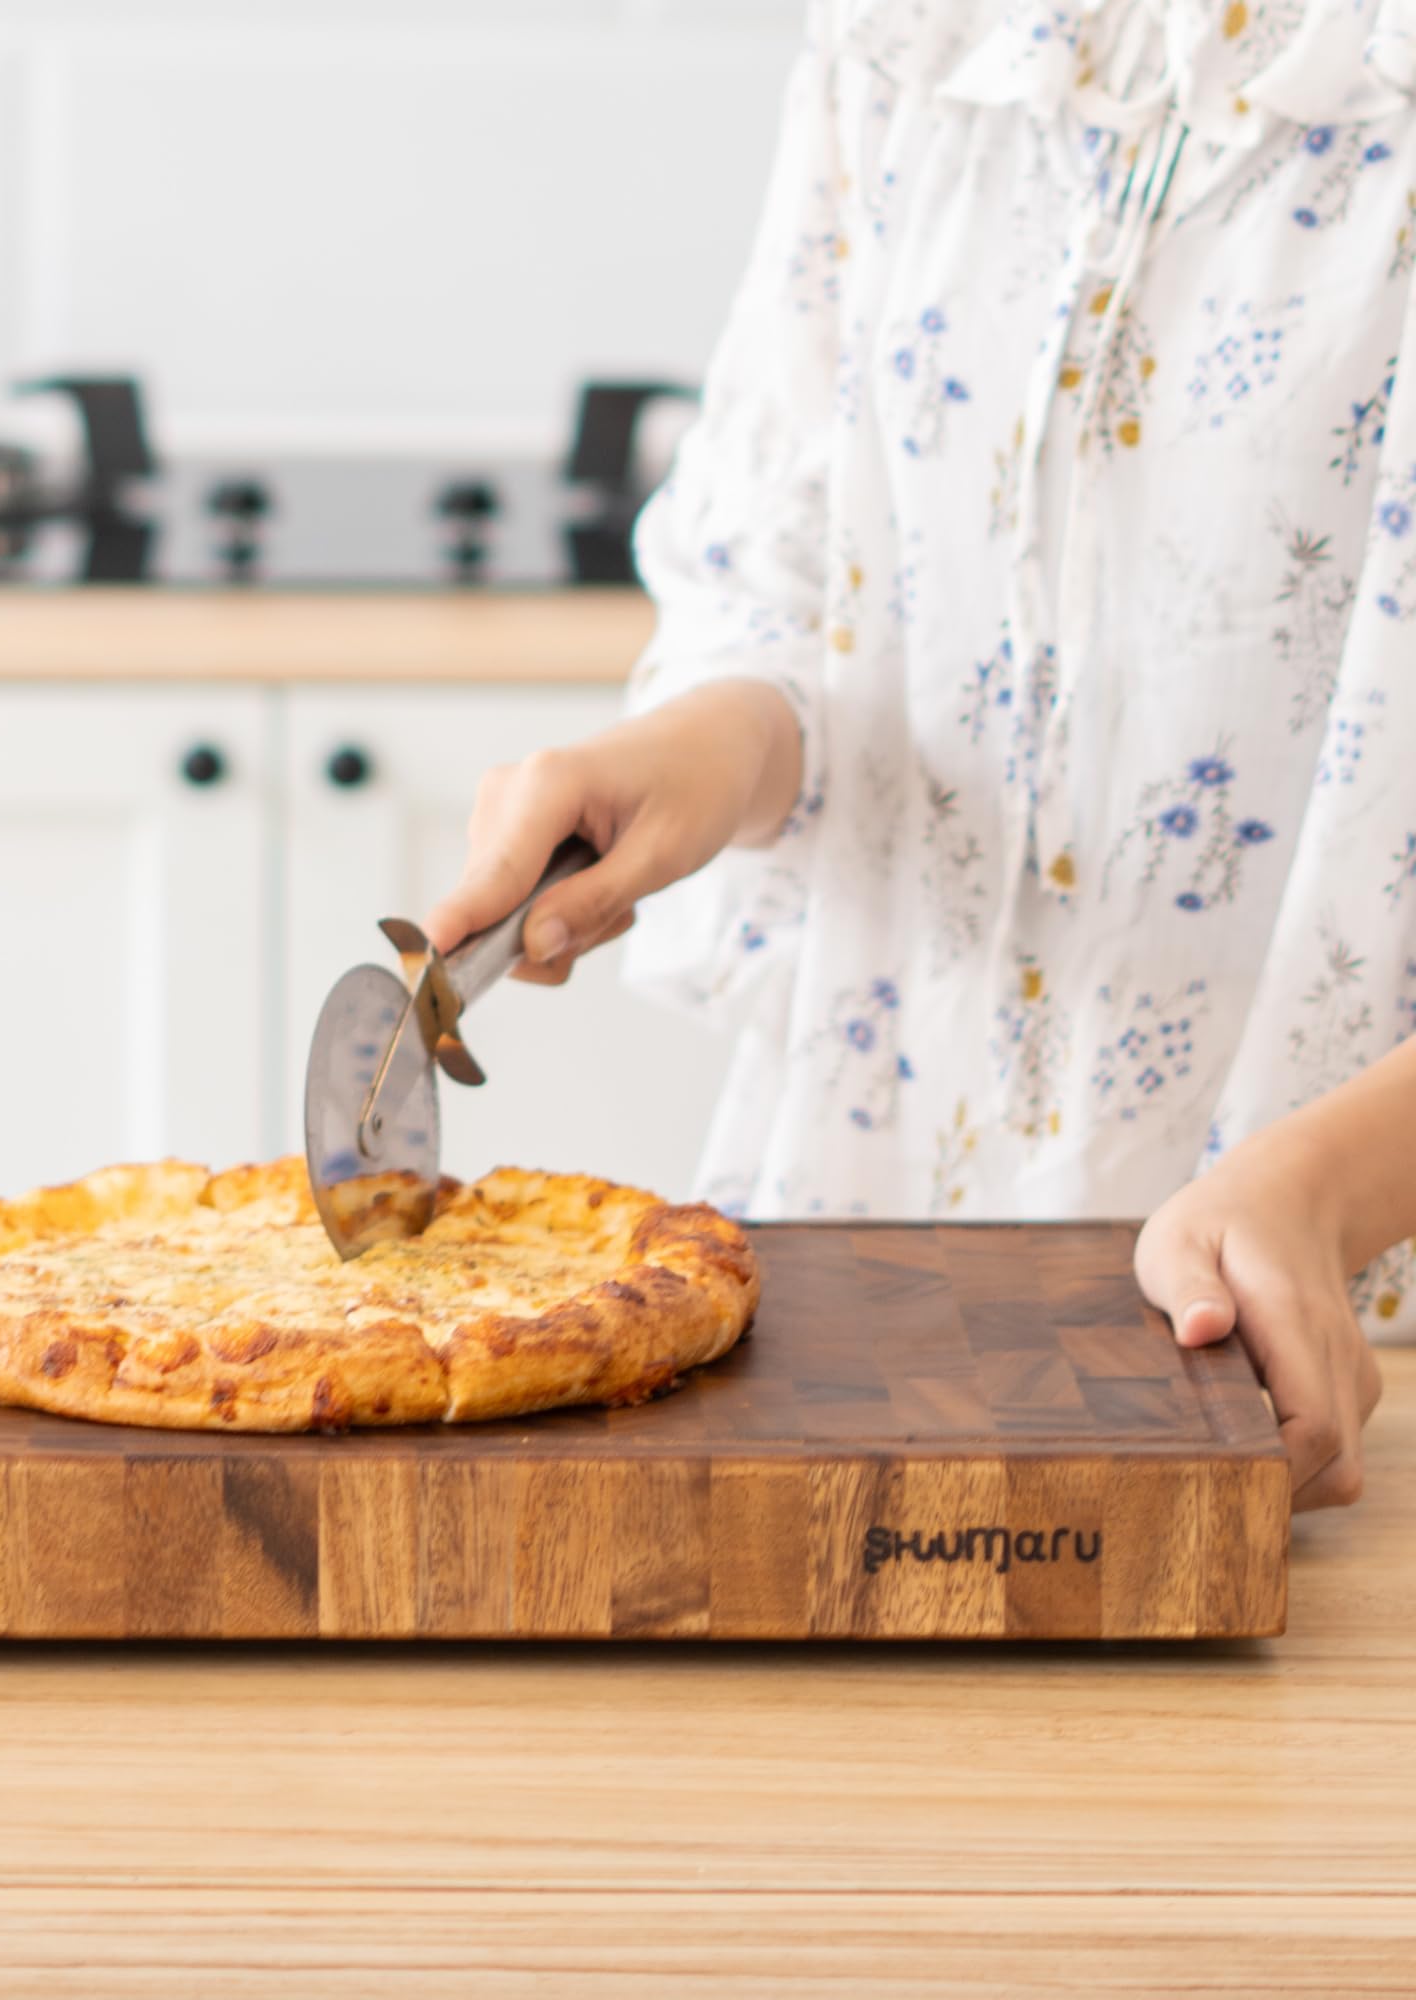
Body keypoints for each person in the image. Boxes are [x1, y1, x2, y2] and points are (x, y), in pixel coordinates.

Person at [425, 0, 1416, 1510]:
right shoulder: (920, 40)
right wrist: (707, 743)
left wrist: (1331, 1186)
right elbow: (795, 582)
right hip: (883, 1287)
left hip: (1346, 1367)